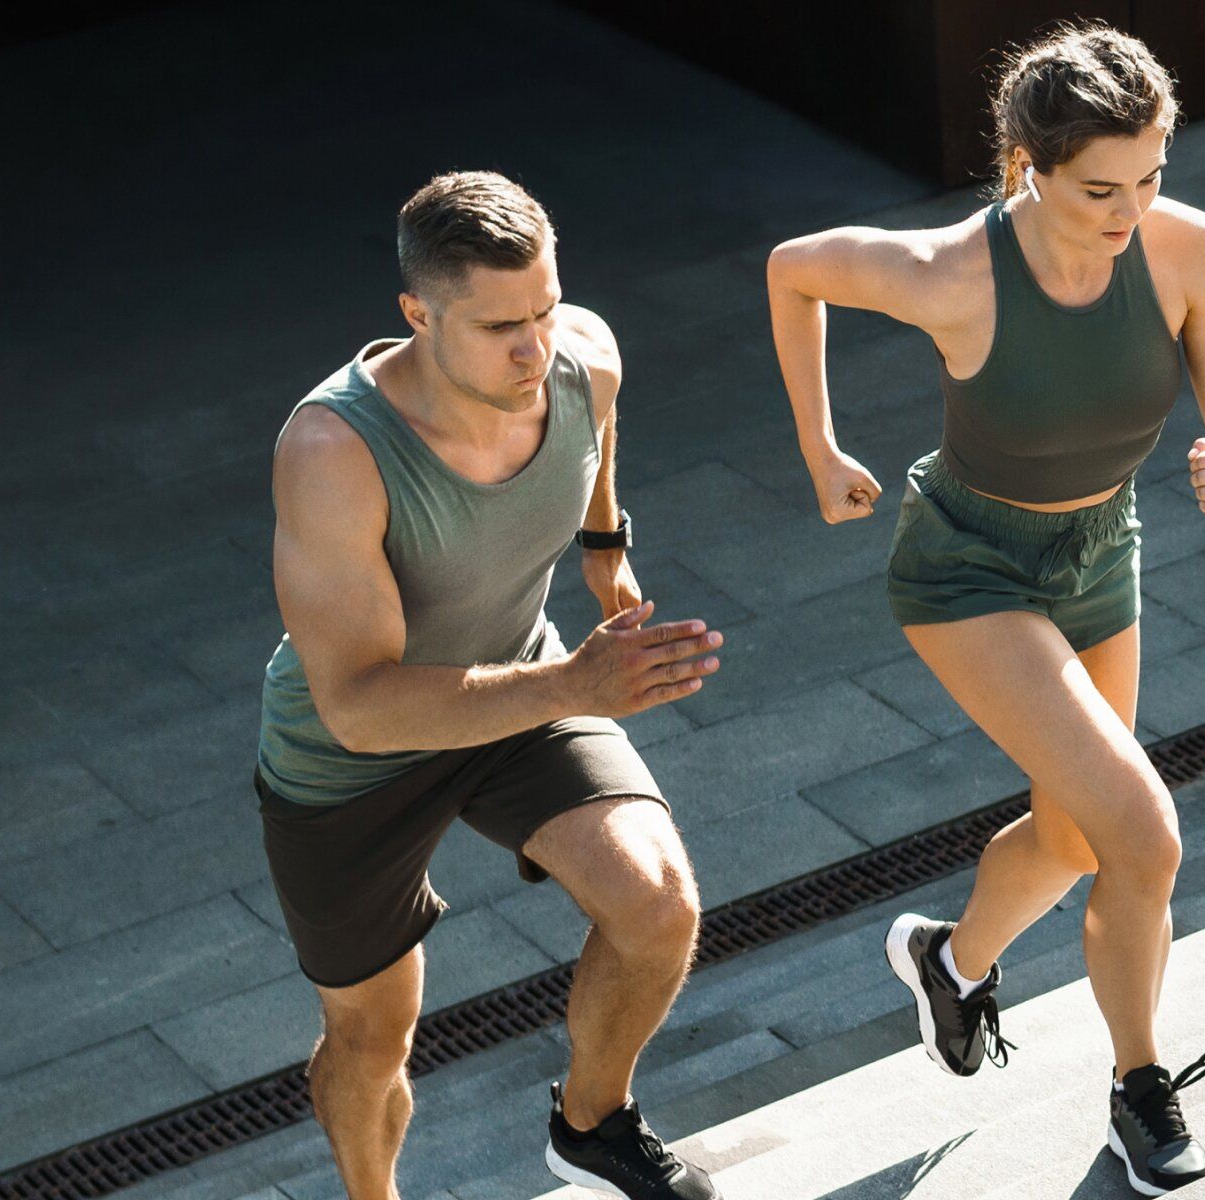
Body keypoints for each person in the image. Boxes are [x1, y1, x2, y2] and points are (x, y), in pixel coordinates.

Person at [766, 22, 1205, 1196]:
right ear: (1029, 167)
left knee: (1073, 834)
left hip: (1103, 552)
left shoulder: (1185, 250)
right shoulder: (949, 273)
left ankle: (950, 960)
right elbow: (795, 268)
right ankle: (1139, 1091)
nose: (1130, 209)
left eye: (1151, 177)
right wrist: (817, 444)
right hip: (969, 569)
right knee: (1141, 832)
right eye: (1101, 187)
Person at [255, 170, 725, 1200]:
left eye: (546, 310)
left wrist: (606, 540)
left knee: (657, 907)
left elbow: (597, 432)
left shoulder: (579, 358)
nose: (535, 348)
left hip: (524, 683)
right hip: (353, 758)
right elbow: (359, 703)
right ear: (418, 316)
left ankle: (592, 1123)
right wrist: (572, 681)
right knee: (373, 1036)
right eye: (501, 326)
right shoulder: (333, 451)